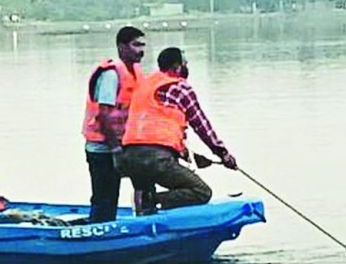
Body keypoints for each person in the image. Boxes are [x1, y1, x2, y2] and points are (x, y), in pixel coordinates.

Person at [119, 47, 238, 214]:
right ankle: (151, 200)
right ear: (177, 67)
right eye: (185, 63)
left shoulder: (144, 86)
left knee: (145, 189)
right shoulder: (181, 88)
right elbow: (201, 125)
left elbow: (153, 130)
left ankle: (145, 206)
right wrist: (223, 153)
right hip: (156, 160)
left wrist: (190, 155)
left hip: (129, 158)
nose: (187, 66)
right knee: (201, 192)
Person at [82, 26, 147, 222]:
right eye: (136, 45)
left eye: (143, 45)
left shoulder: (137, 73)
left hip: (126, 144)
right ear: (121, 47)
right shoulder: (111, 74)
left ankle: (141, 224)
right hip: (103, 147)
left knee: (141, 188)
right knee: (105, 197)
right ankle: (98, 234)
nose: (141, 50)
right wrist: (116, 149)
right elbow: (104, 115)